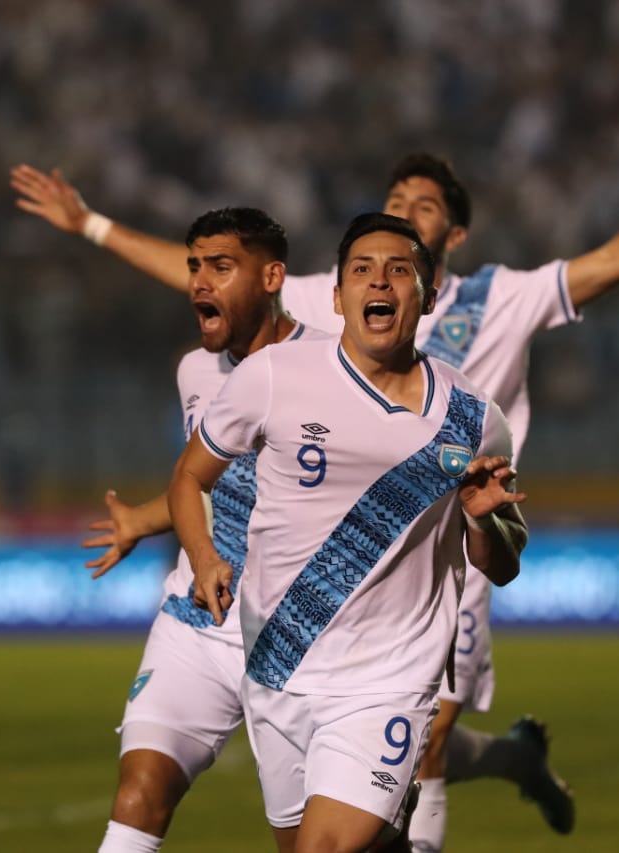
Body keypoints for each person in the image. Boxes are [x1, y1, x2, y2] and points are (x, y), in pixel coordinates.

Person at [11, 120, 619, 848]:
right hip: (292, 616)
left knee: (428, 742)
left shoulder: (499, 305)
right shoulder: (309, 332)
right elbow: (222, 288)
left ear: (445, 253)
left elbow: (614, 263)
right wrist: (93, 228)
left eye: (423, 211)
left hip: (436, 557)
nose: (401, 219)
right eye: (392, 208)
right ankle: (509, 760)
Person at [168, 213, 526, 853]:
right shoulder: (274, 376)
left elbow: (500, 564)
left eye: (398, 270)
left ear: (428, 296)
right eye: (361, 270)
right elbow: (189, 479)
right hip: (280, 659)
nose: (378, 282)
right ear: (338, 298)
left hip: (390, 676)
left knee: (323, 849)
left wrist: (481, 516)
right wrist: (203, 556)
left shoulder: (474, 419)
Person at [84, 207, 334, 853]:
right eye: (195, 265)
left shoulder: (332, 370)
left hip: (295, 636)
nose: (199, 280)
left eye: (221, 266)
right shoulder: (194, 371)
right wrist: (160, 528)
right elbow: (204, 480)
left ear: (272, 276)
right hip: (199, 615)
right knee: (140, 792)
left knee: (311, 841)